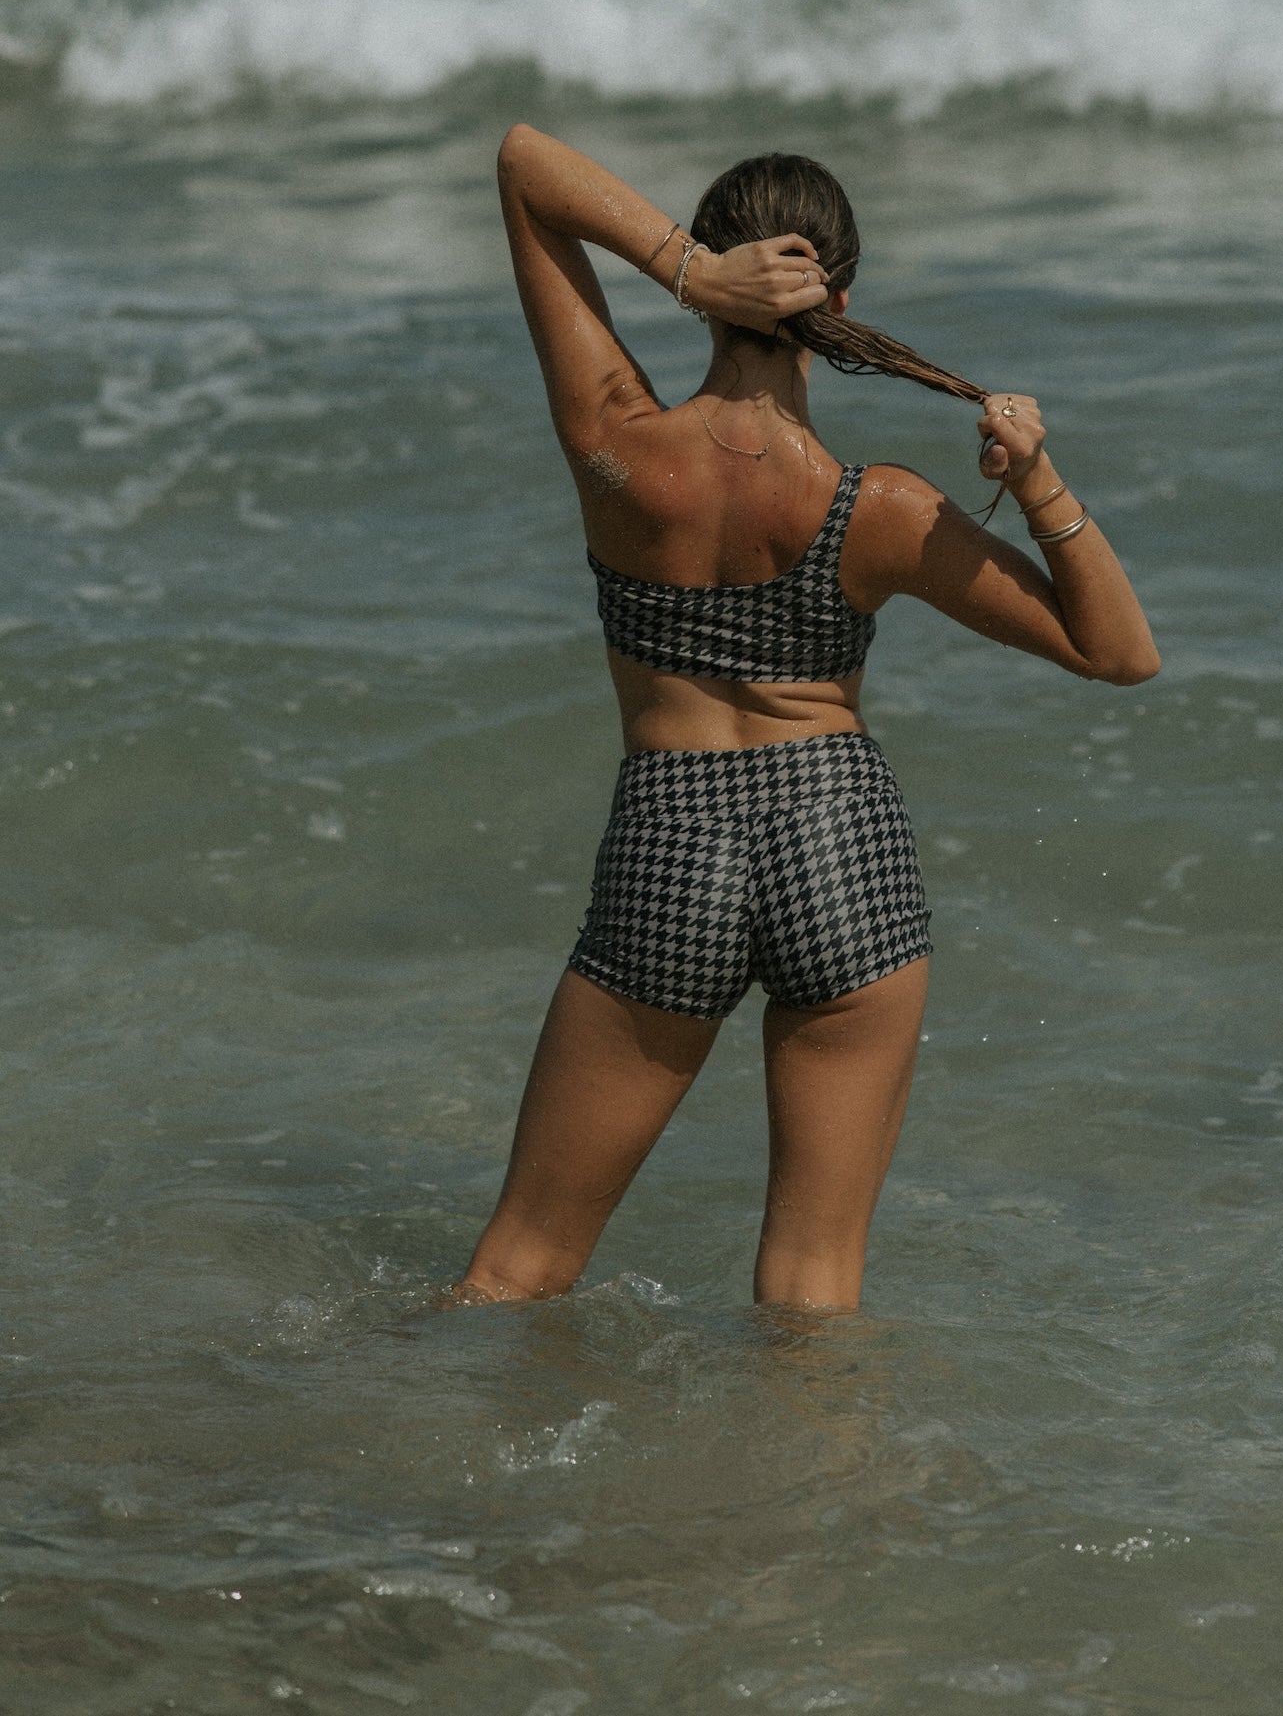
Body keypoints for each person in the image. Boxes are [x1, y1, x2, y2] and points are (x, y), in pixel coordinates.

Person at [459, 127, 1159, 1314]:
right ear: (840, 303)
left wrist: (686, 268)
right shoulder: (876, 508)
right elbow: (1120, 653)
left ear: (724, 288)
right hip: (840, 839)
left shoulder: (615, 446)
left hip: (671, 839)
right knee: (812, 1296)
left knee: (517, 1265)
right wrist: (1037, 478)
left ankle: (390, 1431)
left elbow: (526, 163)